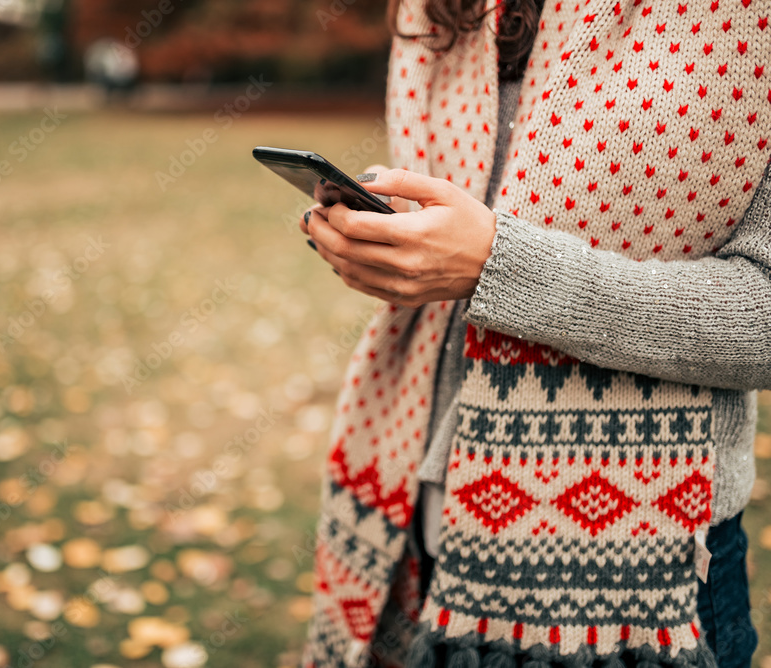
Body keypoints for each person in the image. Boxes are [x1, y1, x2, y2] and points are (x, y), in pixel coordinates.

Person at [298, 0, 771, 666]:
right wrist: (389, 247)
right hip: (409, 525)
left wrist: (502, 266)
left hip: (635, 567)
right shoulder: (444, 7)